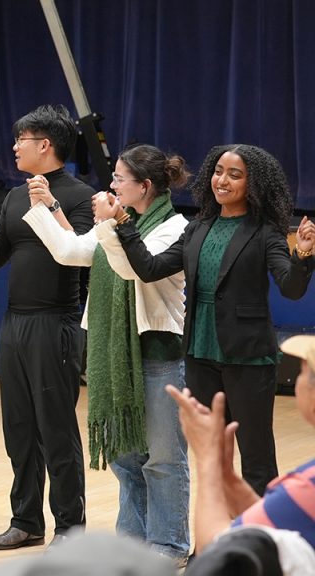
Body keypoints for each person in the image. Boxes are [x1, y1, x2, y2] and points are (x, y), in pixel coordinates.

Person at [104, 144, 315, 494]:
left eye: (235, 175)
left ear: (253, 184)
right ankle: (210, 544)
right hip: (200, 353)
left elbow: (291, 287)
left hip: (247, 357)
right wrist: (124, 223)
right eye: (218, 171)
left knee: (256, 457)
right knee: (211, 456)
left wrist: (304, 252)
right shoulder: (198, 227)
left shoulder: (265, 232)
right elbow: (150, 268)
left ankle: (256, 541)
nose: (223, 180)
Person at [23, 144, 192, 562]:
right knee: (126, 459)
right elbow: (70, 251)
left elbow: (134, 267)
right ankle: (131, 545)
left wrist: (110, 222)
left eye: (119, 178)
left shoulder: (174, 227)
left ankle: (168, 543)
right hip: (116, 358)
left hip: (158, 356)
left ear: (145, 186)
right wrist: (47, 206)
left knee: (164, 459)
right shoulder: (124, 224)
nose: (112, 185)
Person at [0, 104, 94, 549]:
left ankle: (70, 527)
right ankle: (26, 520)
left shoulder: (80, 196)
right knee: (19, 429)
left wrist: (53, 204)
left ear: (44, 145)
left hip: (56, 323)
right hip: (15, 323)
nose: (14, 147)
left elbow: (80, 252)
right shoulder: (15, 196)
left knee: (56, 428)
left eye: (21, 141)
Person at [167, 332, 315, 557]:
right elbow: (269, 530)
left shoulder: (305, 488)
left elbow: (217, 551)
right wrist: (224, 475)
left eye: (304, 369)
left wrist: (208, 463)